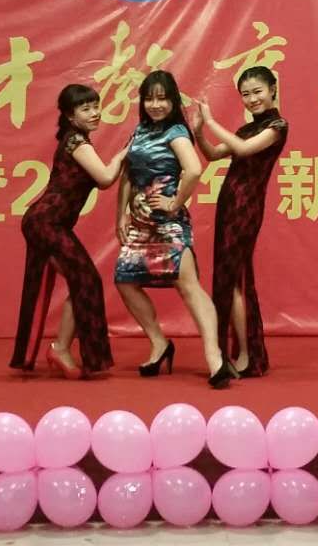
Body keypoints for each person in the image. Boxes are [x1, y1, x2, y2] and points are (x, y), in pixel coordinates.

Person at [113, 70, 237, 388]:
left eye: (162, 98)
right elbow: (127, 174)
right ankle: (159, 343)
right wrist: (120, 215)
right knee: (125, 281)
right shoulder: (140, 130)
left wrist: (174, 202)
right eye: (149, 98)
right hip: (139, 223)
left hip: (168, 224)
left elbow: (193, 169)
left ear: (173, 101)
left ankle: (215, 357)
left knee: (188, 287)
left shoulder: (176, 131)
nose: (155, 105)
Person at [10, 84, 126, 379]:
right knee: (86, 279)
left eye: (96, 106)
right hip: (45, 222)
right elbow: (105, 178)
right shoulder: (76, 142)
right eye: (86, 109)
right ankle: (60, 349)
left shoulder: (76, 139)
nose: (95, 113)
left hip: (47, 222)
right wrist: (123, 155)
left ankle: (57, 350)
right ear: (71, 116)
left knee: (79, 280)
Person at [192, 66, 288, 377]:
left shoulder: (277, 126)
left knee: (235, 280)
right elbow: (213, 155)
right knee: (228, 279)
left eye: (257, 91)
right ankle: (236, 353)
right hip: (229, 205)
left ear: (272, 90)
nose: (252, 99)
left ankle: (246, 354)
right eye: (245, 94)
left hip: (246, 208)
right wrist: (198, 131)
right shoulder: (247, 128)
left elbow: (244, 150)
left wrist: (211, 122)